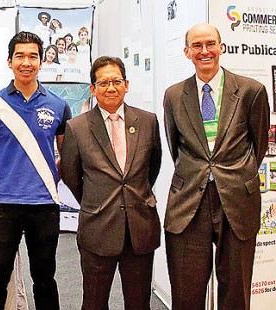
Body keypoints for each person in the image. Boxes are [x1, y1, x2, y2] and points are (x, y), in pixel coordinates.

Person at [163, 23, 269, 310]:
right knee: (186, 292)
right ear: (187, 52)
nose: (204, 51)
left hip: (237, 200)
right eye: (197, 46)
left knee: (235, 292)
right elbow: (176, 148)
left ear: (221, 47)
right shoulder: (174, 96)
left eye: (210, 43)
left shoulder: (252, 91)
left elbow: (256, 147)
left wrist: (230, 173)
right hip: (188, 204)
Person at [0, 31, 72, 310]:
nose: (26, 62)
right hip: (3, 206)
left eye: (33, 56)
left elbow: (65, 157)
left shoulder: (58, 105)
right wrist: (7, 183)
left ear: (42, 62)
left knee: (44, 279)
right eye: (20, 56)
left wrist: (44, 181)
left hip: (44, 206)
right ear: (9, 61)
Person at [61, 56, 162, 309]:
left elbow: (152, 168)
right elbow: (71, 176)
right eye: (103, 83)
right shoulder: (77, 127)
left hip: (139, 228)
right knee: (94, 302)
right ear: (93, 89)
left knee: (139, 303)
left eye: (116, 81)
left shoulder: (148, 121)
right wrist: (96, 200)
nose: (111, 88)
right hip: (98, 227)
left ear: (126, 84)